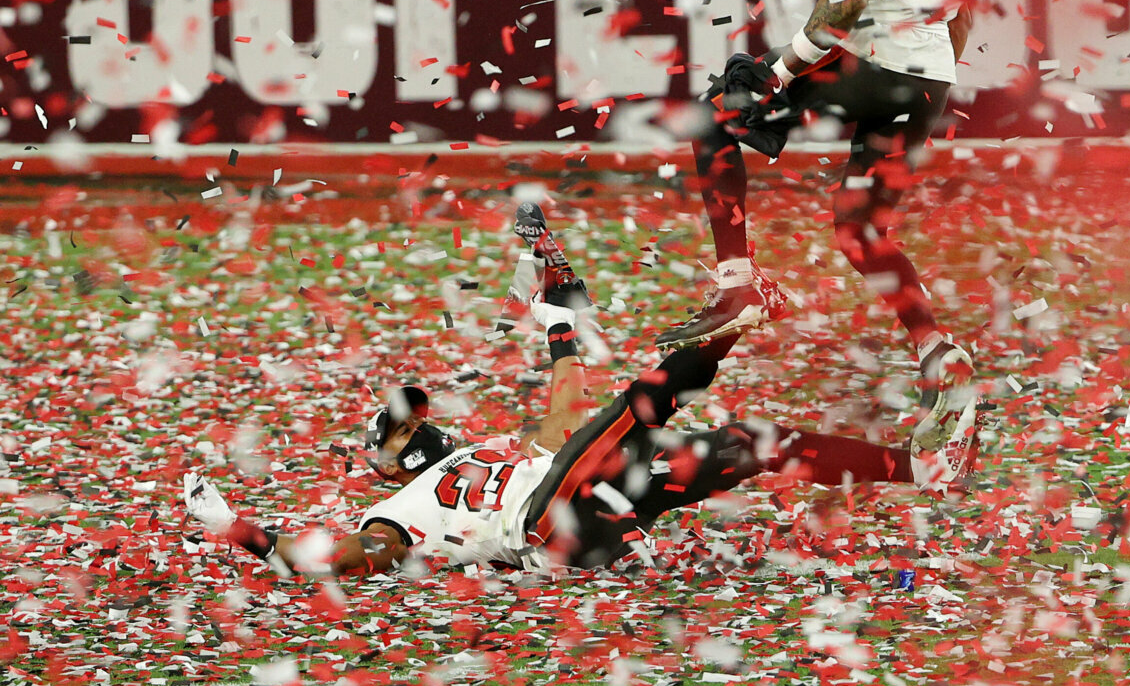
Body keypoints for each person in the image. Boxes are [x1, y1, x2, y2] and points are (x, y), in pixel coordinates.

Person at [183, 203, 974, 577]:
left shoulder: (493, 450)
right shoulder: (401, 506)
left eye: (409, 420)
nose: (413, 426)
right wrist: (244, 534)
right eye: (399, 429)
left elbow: (568, 393)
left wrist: (559, 293)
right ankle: (736, 320)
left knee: (751, 444)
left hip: (585, 504)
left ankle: (923, 470)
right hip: (548, 527)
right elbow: (361, 552)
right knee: (634, 409)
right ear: (385, 462)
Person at [663, 0, 978, 488]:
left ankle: (738, 283)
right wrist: (932, 81)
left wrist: (779, 72)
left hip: (875, 59)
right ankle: (939, 352)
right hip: (930, 67)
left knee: (716, 115)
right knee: (860, 228)